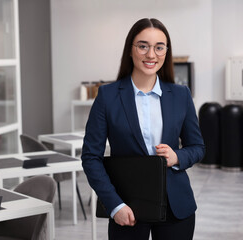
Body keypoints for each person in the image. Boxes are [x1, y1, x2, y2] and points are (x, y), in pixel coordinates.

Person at [81, 18, 205, 240]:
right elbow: (91, 157)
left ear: (166, 52)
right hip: (126, 206)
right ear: (131, 49)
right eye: (143, 46)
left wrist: (177, 156)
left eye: (159, 47)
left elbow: (197, 147)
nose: (151, 55)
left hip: (176, 206)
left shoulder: (181, 95)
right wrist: (114, 204)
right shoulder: (107, 96)